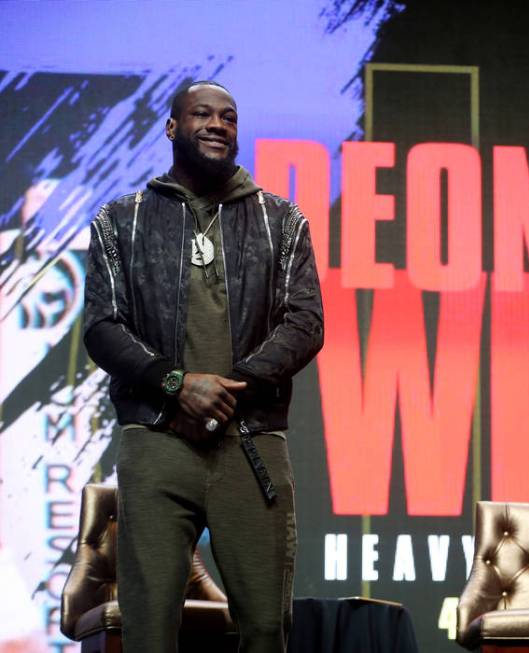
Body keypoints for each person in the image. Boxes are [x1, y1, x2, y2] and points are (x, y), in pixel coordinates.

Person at [82, 80, 323, 652]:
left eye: (230, 117)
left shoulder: (282, 222)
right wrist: (178, 384)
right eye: (202, 114)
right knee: (148, 628)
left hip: (251, 441)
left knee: (266, 626)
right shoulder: (121, 221)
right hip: (158, 442)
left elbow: (305, 322)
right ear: (172, 127)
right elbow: (101, 327)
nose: (217, 124)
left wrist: (232, 385)